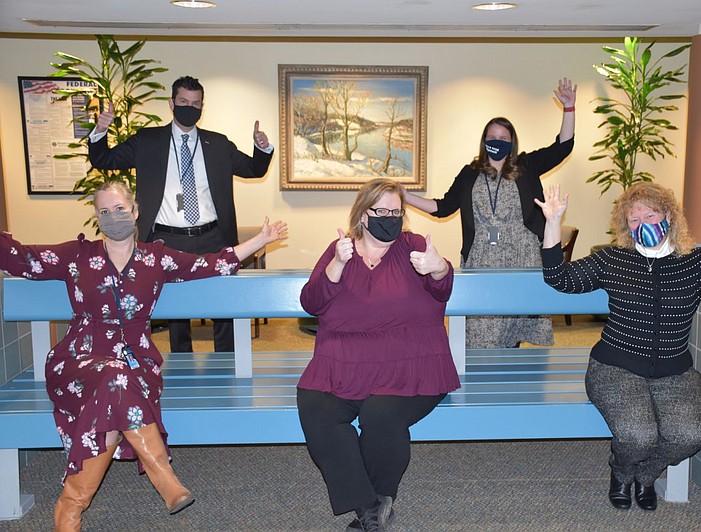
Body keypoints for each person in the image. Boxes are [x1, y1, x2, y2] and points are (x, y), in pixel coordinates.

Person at [0, 181, 287, 531]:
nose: (113, 217)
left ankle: (70, 506)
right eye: (104, 211)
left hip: (135, 364)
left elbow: (211, 264)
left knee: (114, 385)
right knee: (113, 379)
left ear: (135, 212)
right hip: (77, 360)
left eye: (120, 209)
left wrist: (261, 239)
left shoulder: (157, 258)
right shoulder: (78, 255)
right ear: (96, 217)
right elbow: (24, 259)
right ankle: (163, 475)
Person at [535, 170, 701, 511]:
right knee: (638, 436)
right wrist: (553, 223)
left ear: (668, 216)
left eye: (650, 215)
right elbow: (559, 278)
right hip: (615, 367)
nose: (642, 223)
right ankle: (622, 473)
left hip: (675, 372)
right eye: (634, 218)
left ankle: (646, 476)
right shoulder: (613, 259)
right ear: (626, 226)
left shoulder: (695, 262)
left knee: (689, 436)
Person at [297, 178, 460, 532]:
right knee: (316, 408)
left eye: (396, 212)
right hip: (344, 358)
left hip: (412, 358)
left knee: (380, 414)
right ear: (363, 213)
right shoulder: (340, 249)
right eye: (381, 211)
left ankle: (376, 504)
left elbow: (442, 287)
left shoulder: (414, 246)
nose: (390, 217)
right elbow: (311, 302)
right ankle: (370, 504)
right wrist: (336, 267)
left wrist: (439, 267)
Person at [88, 75, 274, 354]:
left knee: (222, 304)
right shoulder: (147, 141)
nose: (190, 107)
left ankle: (225, 362)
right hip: (167, 238)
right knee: (177, 312)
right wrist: (100, 131)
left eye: (196, 103)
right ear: (172, 104)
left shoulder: (218, 144)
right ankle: (181, 360)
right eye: (184, 102)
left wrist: (261, 147)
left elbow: (254, 169)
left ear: (202, 107)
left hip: (213, 236)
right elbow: (104, 160)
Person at [403, 78, 576, 349]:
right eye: (492, 138)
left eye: (503, 138)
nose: (498, 142)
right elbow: (443, 207)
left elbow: (562, 147)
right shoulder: (470, 173)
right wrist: (405, 197)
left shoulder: (527, 165)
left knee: (513, 328)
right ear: (484, 141)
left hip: (523, 257)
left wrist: (569, 109)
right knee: (482, 329)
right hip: (482, 256)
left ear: (512, 142)